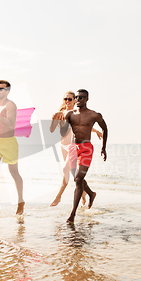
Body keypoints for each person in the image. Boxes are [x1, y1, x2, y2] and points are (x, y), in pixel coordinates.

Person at [60, 89, 108, 223]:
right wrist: (63, 122)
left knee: (78, 178)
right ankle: (91, 194)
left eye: (81, 97)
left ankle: (72, 214)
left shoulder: (94, 115)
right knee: (77, 179)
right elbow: (63, 132)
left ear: (87, 99)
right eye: (77, 97)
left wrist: (103, 147)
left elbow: (105, 128)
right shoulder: (70, 114)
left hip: (86, 148)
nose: (78, 99)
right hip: (73, 148)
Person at [49, 91, 103, 207]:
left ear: (74, 100)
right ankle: (85, 194)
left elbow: (83, 126)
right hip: (63, 146)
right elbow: (52, 130)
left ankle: (58, 197)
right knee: (74, 175)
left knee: (65, 170)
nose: (67, 101)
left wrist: (96, 131)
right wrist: (54, 120)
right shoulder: (61, 113)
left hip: (74, 146)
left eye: (70, 99)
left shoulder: (76, 113)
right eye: (65, 99)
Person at [0, 80, 25, 217]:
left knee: (14, 172)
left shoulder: (11, 105)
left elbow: (10, 125)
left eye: (1, 89)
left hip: (9, 143)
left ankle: (20, 201)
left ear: (7, 91)